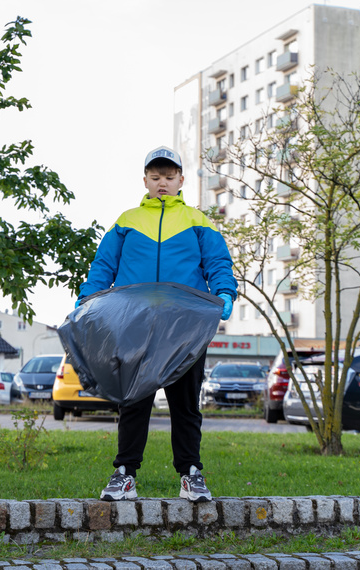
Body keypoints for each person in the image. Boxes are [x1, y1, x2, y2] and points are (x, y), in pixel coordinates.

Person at [76, 146, 237, 503]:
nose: (162, 183)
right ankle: (125, 475)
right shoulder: (127, 220)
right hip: (136, 325)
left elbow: (217, 262)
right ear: (145, 180)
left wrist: (224, 293)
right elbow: (103, 266)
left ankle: (191, 476)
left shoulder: (198, 220)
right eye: (155, 177)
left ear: (181, 180)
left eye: (168, 177)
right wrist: (88, 298)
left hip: (186, 326)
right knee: (133, 401)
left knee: (185, 404)